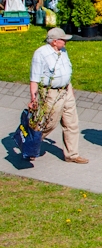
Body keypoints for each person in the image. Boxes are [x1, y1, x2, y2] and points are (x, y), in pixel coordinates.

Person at [28, 28, 88, 164]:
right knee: (49, 124)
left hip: (66, 90)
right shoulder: (40, 54)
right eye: (63, 39)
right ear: (55, 42)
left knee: (72, 123)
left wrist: (70, 88)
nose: (66, 41)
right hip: (51, 94)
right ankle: (31, 145)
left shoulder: (63, 51)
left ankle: (72, 155)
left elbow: (65, 71)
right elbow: (35, 78)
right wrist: (33, 99)